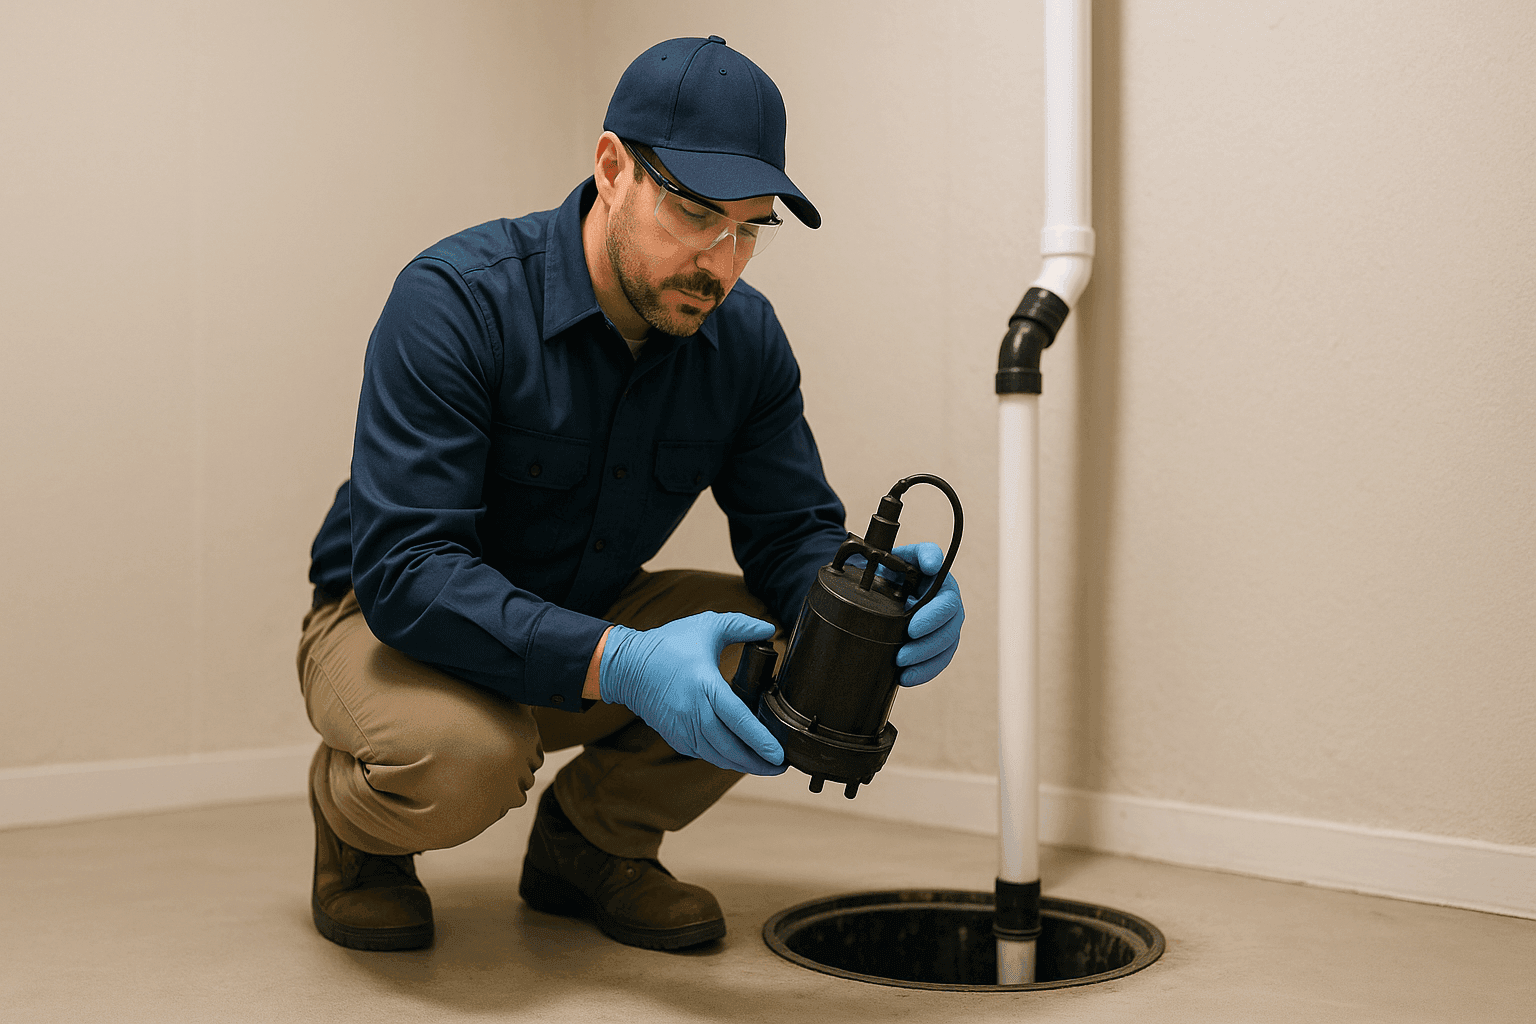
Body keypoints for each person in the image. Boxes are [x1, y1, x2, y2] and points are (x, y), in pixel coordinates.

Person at [297, 34, 965, 954]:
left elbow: (791, 539)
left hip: (582, 612)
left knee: (789, 649)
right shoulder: (455, 300)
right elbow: (410, 571)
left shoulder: (747, 344)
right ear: (613, 168)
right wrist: (620, 661)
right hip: (387, 622)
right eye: (696, 214)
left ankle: (591, 844)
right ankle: (358, 830)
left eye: (750, 229)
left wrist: (874, 602)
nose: (721, 264)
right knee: (466, 759)